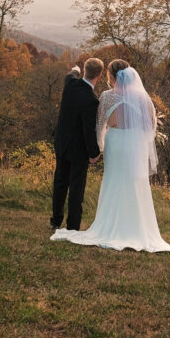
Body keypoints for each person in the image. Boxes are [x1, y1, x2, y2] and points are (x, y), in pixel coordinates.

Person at [51, 59, 170, 252]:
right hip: (135, 145)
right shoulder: (144, 99)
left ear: (110, 76)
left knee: (114, 181)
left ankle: (109, 225)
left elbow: (99, 126)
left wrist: (96, 150)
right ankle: (136, 227)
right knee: (134, 183)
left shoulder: (107, 97)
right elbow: (151, 127)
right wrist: (137, 140)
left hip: (115, 144)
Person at [50, 57, 103, 232]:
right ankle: (72, 225)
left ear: (84, 71)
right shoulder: (91, 100)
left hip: (61, 142)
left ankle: (55, 220)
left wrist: (75, 70)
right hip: (78, 149)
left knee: (60, 181)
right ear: (99, 75)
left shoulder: (70, 83)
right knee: (76, 187)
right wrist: (94, 152)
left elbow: (71, 73)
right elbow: (88, 130)